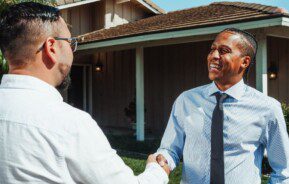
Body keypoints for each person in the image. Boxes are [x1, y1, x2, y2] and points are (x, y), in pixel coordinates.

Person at [0, 2, 169, 184]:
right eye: (71, 42)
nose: (73, 51)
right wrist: (158, 171)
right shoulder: (69, 124)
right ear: (52, 47)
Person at [155, 28, 289, 184]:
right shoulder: (186, 100)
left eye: (224, 51)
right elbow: (170, 150)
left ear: (244, 62)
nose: (214, 56)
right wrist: (162, 160)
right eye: (212, 50)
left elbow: (283, 171)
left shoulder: (268, 108)